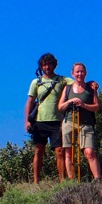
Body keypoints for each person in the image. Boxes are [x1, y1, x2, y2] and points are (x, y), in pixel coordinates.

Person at [24, 53, 72, 184]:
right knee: (38, 151)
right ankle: (36, 181)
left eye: (49, 64)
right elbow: (29, 101)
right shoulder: (36, 82)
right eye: (44, 64)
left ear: (54, 65)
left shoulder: (62, 80)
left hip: (57, 121)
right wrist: (27, 120)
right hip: (39, 121)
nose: (47, 67)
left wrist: (91, 83)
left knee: (59, 151)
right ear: (41, 66)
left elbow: (78, 82)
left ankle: (62, 181)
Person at [57, 63, 101, 182]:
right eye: (77, 72)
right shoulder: (67, 88)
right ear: (72, 73)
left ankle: (98, 180)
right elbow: (60, 107)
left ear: (85, 73)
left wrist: (83, 105)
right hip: (69, 122)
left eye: (82, 72)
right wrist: (70, 101)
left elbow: (97, 106)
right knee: (69, 152)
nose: (79, 74)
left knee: (89, 152)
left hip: (86, 123)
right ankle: (72, 181)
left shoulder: (91, 88)